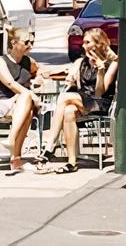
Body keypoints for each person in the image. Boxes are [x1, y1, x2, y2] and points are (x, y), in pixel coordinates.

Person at [36, 29, 119, 173]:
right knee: (68, 112)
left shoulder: (112, 62)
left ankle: (50, 146)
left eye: (87, 42)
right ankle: (71, 162)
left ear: (98, 44)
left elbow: (100, 92)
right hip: (81, 100)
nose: (83, 46)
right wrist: (71, 78)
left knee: (63, 97)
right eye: (83, 42)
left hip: (100, 102)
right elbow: (71, 75)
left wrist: (100, 69)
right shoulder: (83, 61)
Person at [0, 26, 42, 175]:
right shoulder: (0, 61)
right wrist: (31, 95)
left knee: (28, 110)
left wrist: (37, 79)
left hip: (20, 104)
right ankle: (15, 154)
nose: (30, 45)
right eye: (26, 42)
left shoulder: (29, 62)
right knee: (27, 98)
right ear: (13, 43)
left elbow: (39, 72)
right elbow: (10, 83)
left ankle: (15, 158)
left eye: (32, 42)